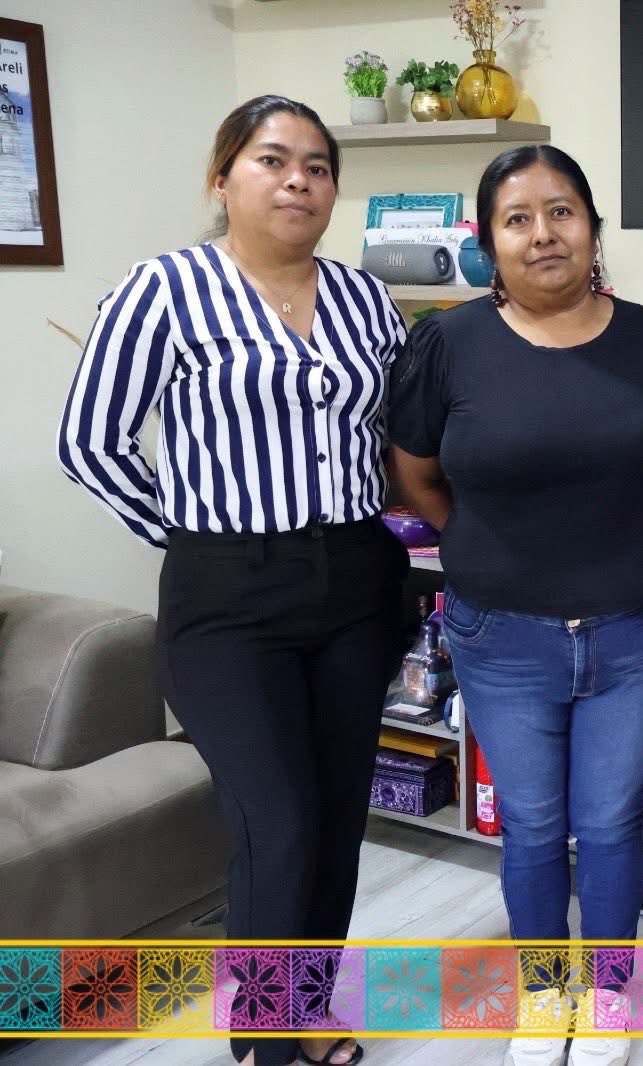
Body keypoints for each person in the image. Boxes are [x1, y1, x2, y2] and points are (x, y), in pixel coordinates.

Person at [58, 95, 410, 1066]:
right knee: (276, 820)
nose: (299, 180)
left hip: (355, 579)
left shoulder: (367, 300)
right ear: (223, 179)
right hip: (228, 599)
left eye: (318, 166)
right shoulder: (163, 290)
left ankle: (305, 1008)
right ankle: (262, 1037)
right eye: (272, 159)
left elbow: (390, 437)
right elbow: (89, 442)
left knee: (335, 818)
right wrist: (188, 535)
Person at [387, 144, 643, 1066]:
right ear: (490, 241)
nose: (543, 233)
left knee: (610, 819)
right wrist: (490, 542)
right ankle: (543, 994)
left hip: (639, 623)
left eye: (562, 211)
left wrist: (610, 529)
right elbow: (415, 474)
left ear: (593, 228)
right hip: (499, 631)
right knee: (530, 823)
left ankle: (605, 996)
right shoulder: (447, 344)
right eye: (518, 218)